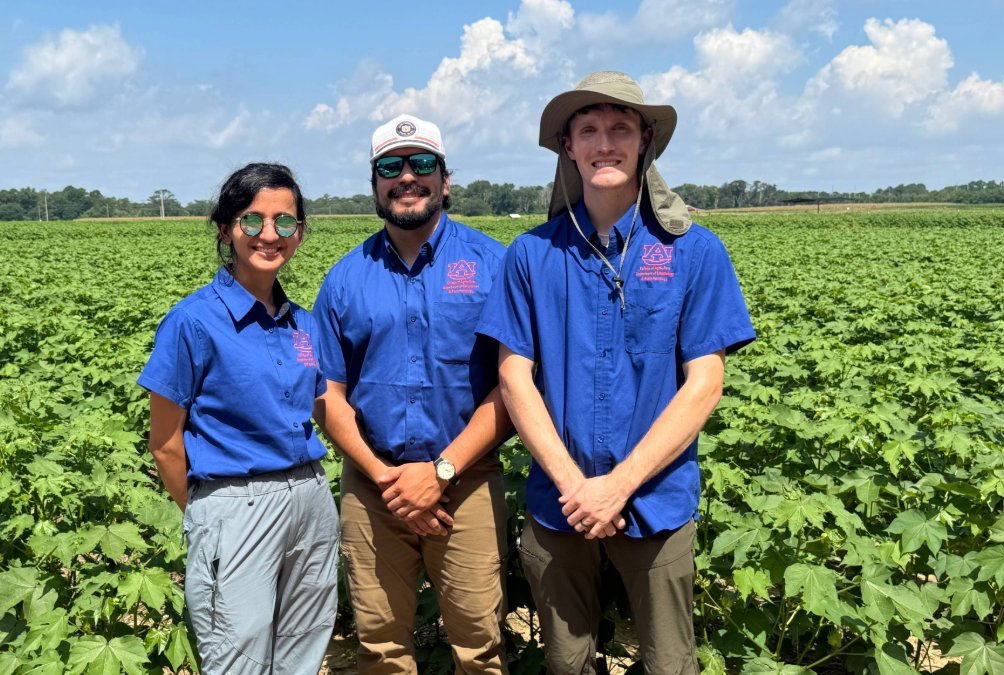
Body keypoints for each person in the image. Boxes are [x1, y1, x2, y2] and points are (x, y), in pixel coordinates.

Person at [476, 72, 757, 674]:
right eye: (590, 130)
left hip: (656, 500)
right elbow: (514, 379)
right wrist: (579, 488)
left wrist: (618, 484)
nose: (606, 143)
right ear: (568, 147)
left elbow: (705, 382)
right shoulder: (532, 255)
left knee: (667, 663)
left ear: (645, 141)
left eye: (620, 128)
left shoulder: (694, 251)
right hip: (560, 505)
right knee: (567, 663)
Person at [312, 114, 512, 674]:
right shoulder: (345, 279)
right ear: (374, 183)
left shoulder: (495, 265)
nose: (407, 177)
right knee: (379, 647)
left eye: (422, 164)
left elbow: (514, 385)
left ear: (445, 180)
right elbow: (327, 392)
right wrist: (388, 480)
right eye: (391, 167)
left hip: (467, 481)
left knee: (480, 645)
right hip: (374, 488)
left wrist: (441, 472)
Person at [139, 163, 337, 675]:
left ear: (299, 233)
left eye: (285, 223)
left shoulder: (304, 324)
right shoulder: (193, 322)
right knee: (238, 657)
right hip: (235, 502)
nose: (269, 235)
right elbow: (164, 443)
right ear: (226, 229)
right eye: (253, 221)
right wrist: (212, 511)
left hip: (311, 498)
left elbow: (326, 406)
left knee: (303, 648)